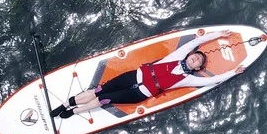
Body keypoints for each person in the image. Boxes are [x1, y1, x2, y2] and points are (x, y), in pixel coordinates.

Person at [50, 29, 245, 118]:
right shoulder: (178, 55)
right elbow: (195, 43)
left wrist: (233, 72)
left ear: (196, 68)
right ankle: (65, 104)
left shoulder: (189, 78)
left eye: (198, 63)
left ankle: (74, 111)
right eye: (195, 58)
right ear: (190, 56)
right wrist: (218, 35)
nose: (195, 60)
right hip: (134, 76)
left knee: (105, 99)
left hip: (138, 94)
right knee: (99, 90)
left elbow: (213, 80)